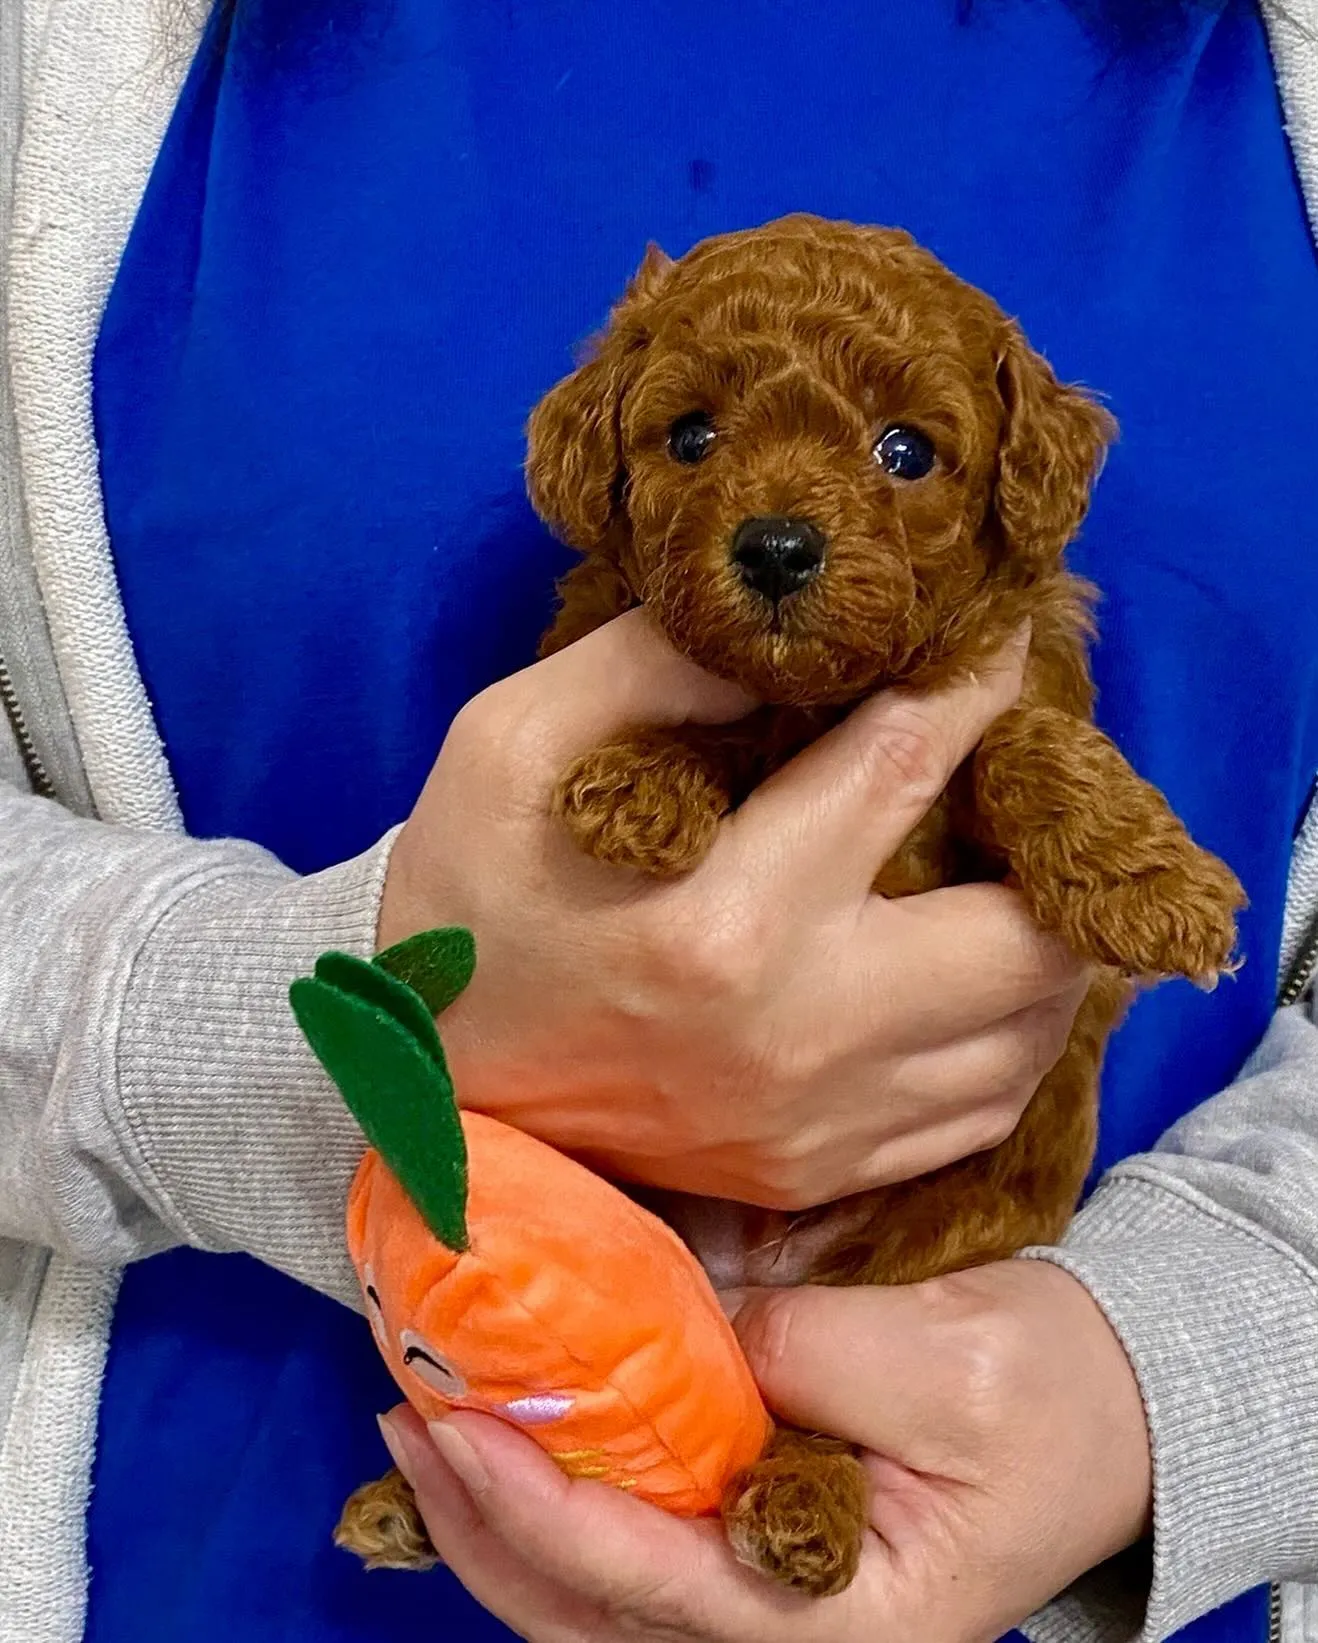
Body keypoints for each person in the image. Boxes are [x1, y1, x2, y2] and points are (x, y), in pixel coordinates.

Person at [1, 2, 1315, 1642]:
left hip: (1066, 1454)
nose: (778, 514)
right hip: (203, 1524)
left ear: (1009, 479)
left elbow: (1037, 768)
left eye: (904, 453)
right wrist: (367, 1027)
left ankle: (794, 1465)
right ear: (606, 464)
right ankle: (512, 1451)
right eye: (690, 438)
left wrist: (1168, 1373)